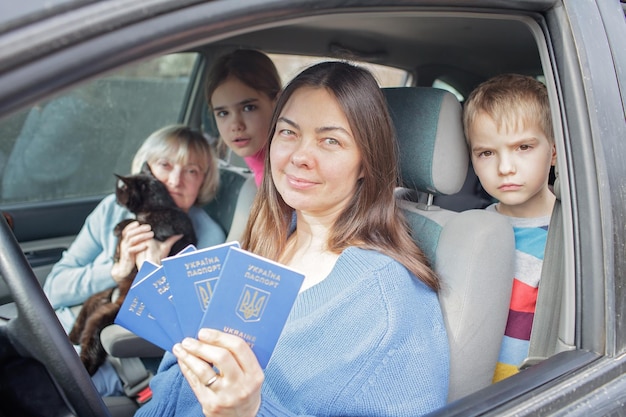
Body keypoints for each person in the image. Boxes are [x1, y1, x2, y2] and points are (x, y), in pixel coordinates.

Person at [137, 61, 449, 417]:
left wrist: (247, 412)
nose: (300, 156)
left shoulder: (389, 299)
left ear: (366, 162)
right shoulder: (265, 241)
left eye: (330, 140)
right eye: (288, 133)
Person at [43, 124, 226, 396]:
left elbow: (185, 329)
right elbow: (53, 289)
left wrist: (151, 273)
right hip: (59, 328)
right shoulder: (111, 210)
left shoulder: (207, 235)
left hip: (114, 355)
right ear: (144, 169)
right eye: (165, 165)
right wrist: (116, 271)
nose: (176, 180)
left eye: (192, 171)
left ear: (203, 182)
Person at [462, 74, 557, 383]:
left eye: (523, 147)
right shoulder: (473, 228)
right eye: (487, 153)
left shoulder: (570, 239)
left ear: (554, 151)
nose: (505, 168)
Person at [205, 49, 281, 187]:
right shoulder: (260, 161)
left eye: (248, 108)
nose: (236, 125)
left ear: (277, 101)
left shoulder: (290, 169)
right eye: (223, 113)